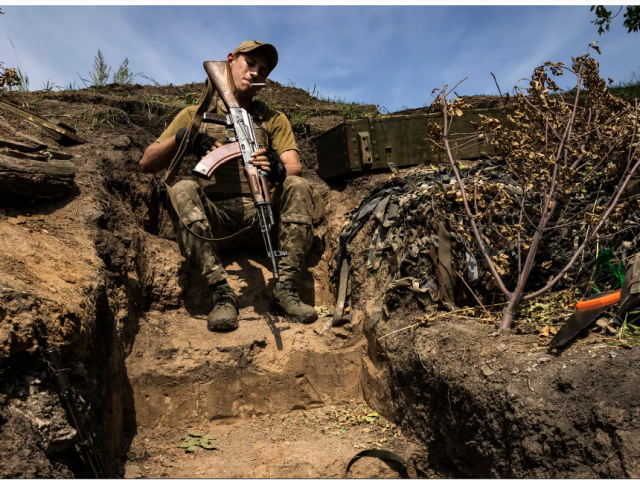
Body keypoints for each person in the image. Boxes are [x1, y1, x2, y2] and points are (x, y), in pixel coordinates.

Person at [139, 40, 318, 332]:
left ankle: (285, 289)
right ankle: (221, 294)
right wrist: (185, 138)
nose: (255, 73)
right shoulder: (196, 114)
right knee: (182, 188)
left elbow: (295, 167)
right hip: (216, 222)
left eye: (263, 71)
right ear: (230, 60)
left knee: (298, 184)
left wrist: (278, 168)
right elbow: (147, 163)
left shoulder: (273, 119)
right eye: (250, 63)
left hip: (263, 219)